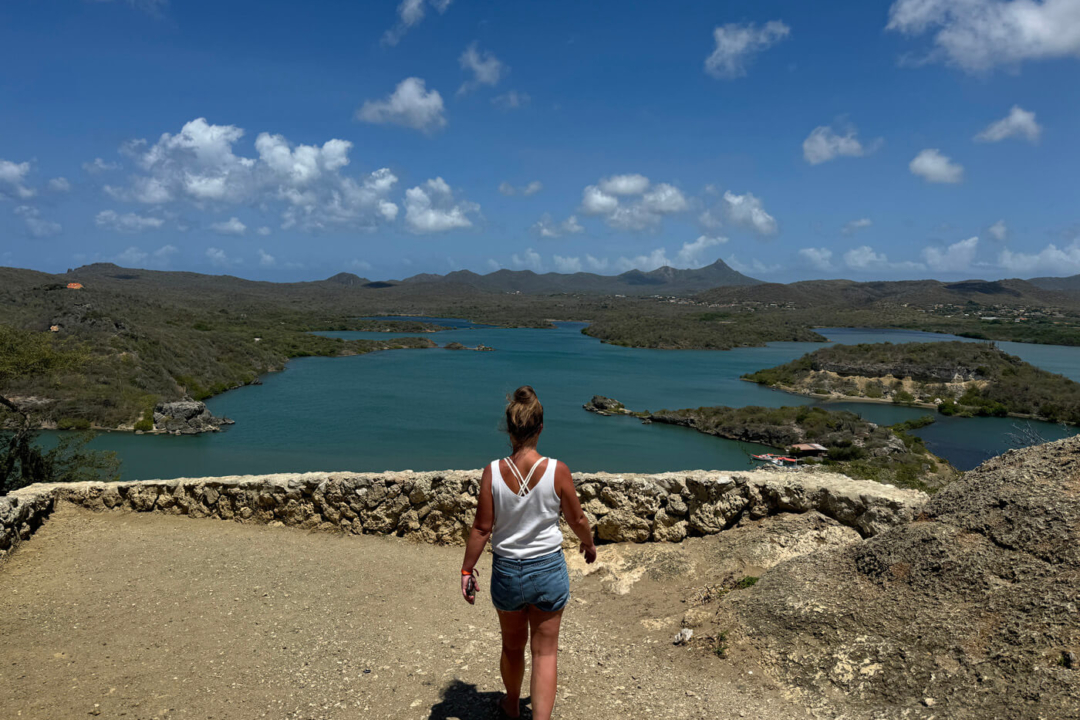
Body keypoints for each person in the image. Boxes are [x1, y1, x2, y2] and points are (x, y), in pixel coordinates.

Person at [460, 385, 597, 719]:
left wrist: (467, 570)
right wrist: (588, 543)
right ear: (540, 428)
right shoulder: (557, 470)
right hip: (548, 571)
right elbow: (577, 518)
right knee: (545, 654)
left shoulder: (492, 472)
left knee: (511, 646)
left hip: (507, 572)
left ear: (509, 430)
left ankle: (511, 704)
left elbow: (481, 528)